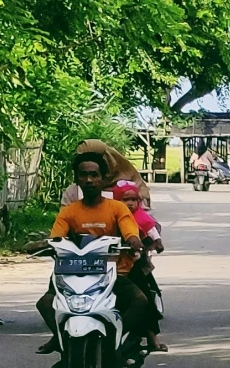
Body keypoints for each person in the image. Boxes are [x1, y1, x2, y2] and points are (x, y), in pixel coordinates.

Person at [37, 149, 151, 350]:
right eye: (84, 175)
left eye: (94, 175)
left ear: (103, 178)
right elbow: (57, 237)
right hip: (73, 271)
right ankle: (60, 336)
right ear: (77, 179)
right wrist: (47, 244)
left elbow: (129, 228)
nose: (89, 180)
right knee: (45, 303)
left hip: (113, 273)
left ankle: (117, 338)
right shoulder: (69, 212)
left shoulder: (117, 208)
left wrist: (133, 239)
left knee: (140, 301)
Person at [111, 180, 167, 350]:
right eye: (125, 200)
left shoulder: (141, 217)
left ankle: (152, 339)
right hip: (109, 265)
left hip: (134, 266)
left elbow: (151, 230)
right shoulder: (110, 216)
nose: (129, 203)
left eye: (133, 200)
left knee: (146, 300)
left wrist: (156, 242)